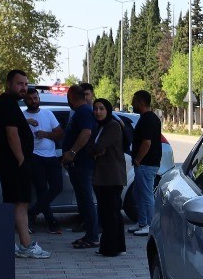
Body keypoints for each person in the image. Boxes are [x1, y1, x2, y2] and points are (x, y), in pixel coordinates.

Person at [0, 69, 50, 259]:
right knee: (20, 203)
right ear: (9, 84)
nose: (23, 87)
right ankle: (26, 244)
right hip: (14, 163)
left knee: (15, 203)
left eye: (25, 84)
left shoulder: (9, 104)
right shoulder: (7, 104)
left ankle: (10, 243)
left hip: (12, 162)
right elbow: (12, 134)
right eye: (19, 83)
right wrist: (21, 159)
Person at [61, 82, 100, 249]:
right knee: (83, 201)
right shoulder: (80, 112)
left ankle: (92, 236)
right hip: (78, 164)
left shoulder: (83, 112)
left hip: (82, 163)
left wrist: (72, 152)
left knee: (86, 200)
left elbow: (86, 133)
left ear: (71, 98)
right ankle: (89, 234)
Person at [90, 97, 127, 257]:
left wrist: (96, 150)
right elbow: (91, 147)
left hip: (111, 177)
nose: (98, 112)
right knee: (112, 212)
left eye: (101, 108)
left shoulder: (112, 126)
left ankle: (109, 248)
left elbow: (97, 147)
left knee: (109, 213)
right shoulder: (100, 127)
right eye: (96, 108)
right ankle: (118, 246)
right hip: (103, 176)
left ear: (108, 110)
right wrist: (95, 150)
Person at [23, 87, 63, 233]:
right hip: (34, 156)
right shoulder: (22, 117)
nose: (33, 101)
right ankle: (51, 223)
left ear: (39, 98)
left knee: (57, 186)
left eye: (35, 98)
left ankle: (32, 212)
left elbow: (59, 133)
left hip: (51, 156)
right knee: (41, 190)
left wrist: (46, 134)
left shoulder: (47, 113)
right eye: (30, 99)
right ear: (25, 100)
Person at [128, 89, 162, 237]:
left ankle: (149, 224)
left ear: (141, 102)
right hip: (144, 164)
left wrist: (137, 160)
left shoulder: (148, 119)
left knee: (146, 194)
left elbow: (146, 143)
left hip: (146, 164)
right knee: (138, 193)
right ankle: (142, 222)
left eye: (134, 101)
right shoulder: (147, 117)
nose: (132, 104)